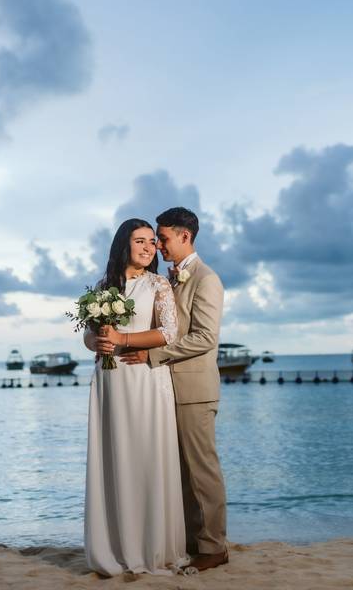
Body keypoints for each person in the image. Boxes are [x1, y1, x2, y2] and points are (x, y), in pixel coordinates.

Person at [110, 207, 229, 572]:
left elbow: (205, 338)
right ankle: (191, 541)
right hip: (164, 389)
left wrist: (152, 354)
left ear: (185, 236)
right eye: (154, 239)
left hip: (194, 389)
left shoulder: (206, 279)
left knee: (202, 470)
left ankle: (214, 546)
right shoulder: (170, 279)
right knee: (178, 472)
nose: (158, 246)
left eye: (162, 238)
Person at [83, 218, 189, 576]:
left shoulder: (159, 284)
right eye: (139, 241)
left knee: (146, 455)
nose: (148, 248)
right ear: (123, 245)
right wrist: (97, 342)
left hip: (144, 377)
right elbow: (89, 335)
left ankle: (150, 546)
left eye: (151, 242)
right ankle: (114, 545)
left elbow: (169, 333)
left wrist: (124, 340)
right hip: (110, 382)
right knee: (114, 457)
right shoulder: (103, 287)